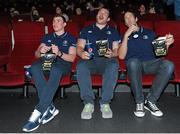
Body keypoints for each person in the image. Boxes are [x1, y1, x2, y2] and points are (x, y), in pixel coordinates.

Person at [22, 14, 76, 132]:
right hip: (46, 61)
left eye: (58, 21)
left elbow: (72, 58)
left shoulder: (71, 38)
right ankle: (49, 106)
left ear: (64, 24)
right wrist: (40, 51)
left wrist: (60, 53)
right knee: (34, 67)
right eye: (53, 21)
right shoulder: (47, 37)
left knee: (55, 70)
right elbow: (36, 55)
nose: (55, 23)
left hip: (62, 64)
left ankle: (38, 112)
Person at [119, 10, 174, 118]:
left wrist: (167, 44)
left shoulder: (149, 33)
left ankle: (150, 101)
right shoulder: (123, 36)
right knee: (134, 61)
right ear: (125, 23)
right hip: (134, 66)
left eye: (131, 17)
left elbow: (160, 53)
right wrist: (126, 35)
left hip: (151, 63)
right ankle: (139, 102)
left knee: (169, 64)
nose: (129, 19)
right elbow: (121, 56)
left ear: (136, 19)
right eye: (126, 18)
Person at [76, 7, 121, 120]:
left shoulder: (113, 31)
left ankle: (105, 103)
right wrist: (81, 53)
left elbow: (116, 50)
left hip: (107, 60)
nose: (101, 14)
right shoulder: (86, 29)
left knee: (114, 64)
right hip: (90, 60)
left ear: (108, 18)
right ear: (96, 15)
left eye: (105, 13)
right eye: (100, 13)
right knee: (81, 65)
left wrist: (112, 54)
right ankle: (88, 103)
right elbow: (79, 47)